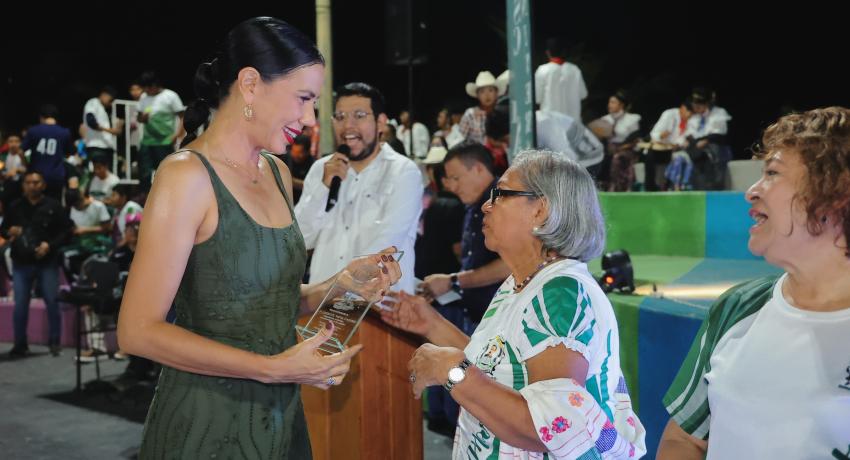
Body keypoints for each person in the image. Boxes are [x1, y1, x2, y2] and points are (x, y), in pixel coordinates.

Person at [115, 17, 401, 459]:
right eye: (303, 99)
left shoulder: (278, 173)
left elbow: (264, 298)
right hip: (206, 423)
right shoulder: (186, 176)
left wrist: (339, 286)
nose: (310, 120)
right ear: (250, 84)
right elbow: (137, 331)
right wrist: (270, 369)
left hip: (279, 416)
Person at [381, 150, 646, 459]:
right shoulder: (523, 282)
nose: (486, 205)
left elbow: (552, 429)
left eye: (501, 194)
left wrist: (451, 371)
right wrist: (432, 325)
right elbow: (497, 367)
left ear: (541, 209)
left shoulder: (560, 294)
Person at [658, 107, 850, 460]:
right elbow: (684, 440)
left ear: (835, 195)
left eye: (772, 173)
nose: (751, 191)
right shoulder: (739, 306)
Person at [295, 82, 423, 293]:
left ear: (380, 123)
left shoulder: (403, 172)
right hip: (323, 307)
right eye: (340, 116)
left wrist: (341, 288)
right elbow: (299, 239)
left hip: (379, 308)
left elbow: (386, 242)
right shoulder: (321, 170)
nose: (348, 126)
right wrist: (323, 188)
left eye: (359, 115)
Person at [1, 170, 74, 358]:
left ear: (43, 184)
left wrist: (49, 245)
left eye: (36, 182)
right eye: (28, 182)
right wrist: (11, 232)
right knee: (20, 305)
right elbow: (3, 230)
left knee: (52, 301)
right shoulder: (15, 206)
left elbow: (67, 231)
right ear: (23, 185)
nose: (32, 186)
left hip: (47, 261)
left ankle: (55, 341)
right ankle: (20, 344)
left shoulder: (54, 206)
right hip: (21, 262)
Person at [535, 37, 588, 121]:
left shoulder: (543, 70)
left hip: (551, 122)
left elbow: (537, 98)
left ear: (548, 52)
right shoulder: (574, 70)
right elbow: (583, 94)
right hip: (572, 123)